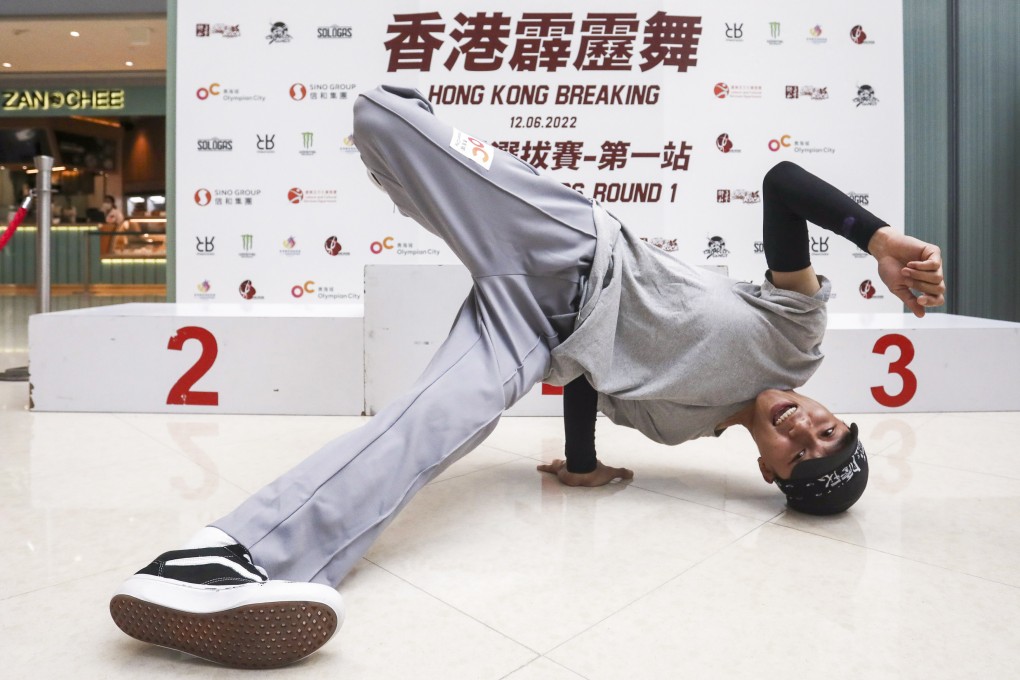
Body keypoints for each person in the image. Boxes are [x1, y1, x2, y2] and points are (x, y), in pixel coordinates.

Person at [108, 85, 945, 669]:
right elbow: (781, 186)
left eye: (801, 453)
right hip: (573, 246)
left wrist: (580, 463)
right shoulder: (797, 335)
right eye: (828, 428)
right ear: (831, 408)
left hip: (536, 333)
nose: (805, 428)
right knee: (380, 116)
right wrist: (875, 239)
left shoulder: (676, 428)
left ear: (769, 469)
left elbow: (589, 376)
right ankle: (417, 115)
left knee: (438, 429)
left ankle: (231, 558)